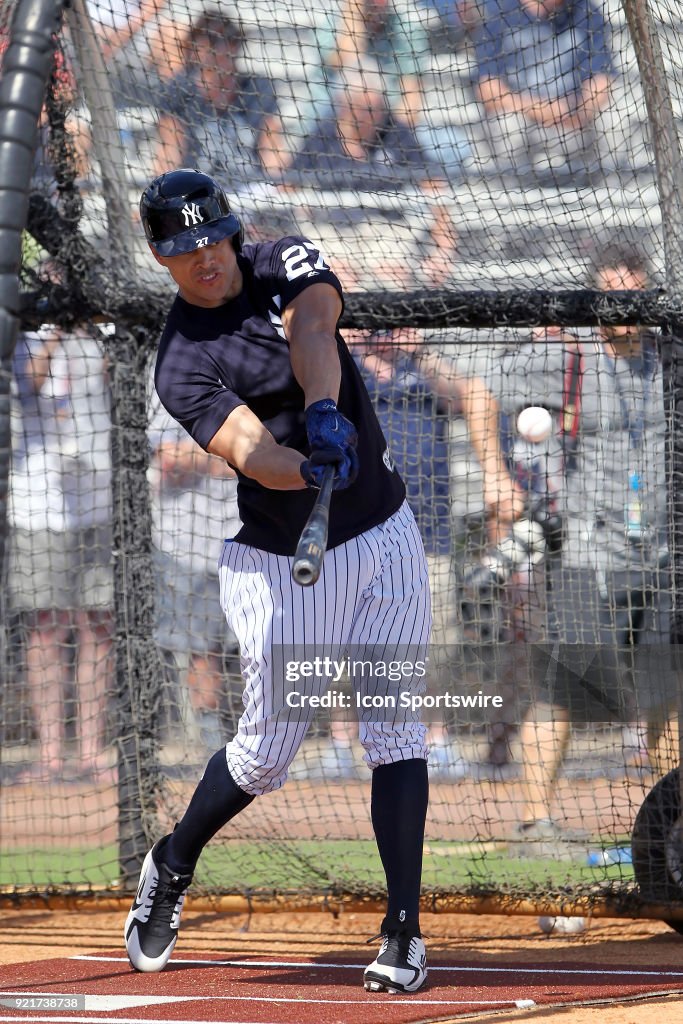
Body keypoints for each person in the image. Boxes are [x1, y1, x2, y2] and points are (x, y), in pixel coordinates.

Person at [125, 167, 432, 993]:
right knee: (266, 754)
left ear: (232, 229)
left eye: (210, 239)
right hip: (280, 564)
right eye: (181, 250)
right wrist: (303, 465)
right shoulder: (180, 362)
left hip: (382, 537)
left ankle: (402, 930)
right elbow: (245, 449)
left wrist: (326, 407)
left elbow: (314, 325)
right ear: (160, 258)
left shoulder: (279, 258)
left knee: (395, 729)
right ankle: (174, 859)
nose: (203, 259)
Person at [486, 245, 671, 858]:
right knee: (561, 689)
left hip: (663, 552)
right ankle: (536, 825)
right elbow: (481, 390)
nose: (626, 310)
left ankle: (671, 820)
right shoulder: (568, 357)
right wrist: (495, 474)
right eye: (613, 297)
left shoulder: (669, 354)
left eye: (635, 296)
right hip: (587, 553)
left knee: (670, 691)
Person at [8, 324, 114, 784]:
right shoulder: (22, 329)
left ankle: (91, 751)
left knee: (98, 625)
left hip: (97, 496)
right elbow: (28, 381)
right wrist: (57, 335)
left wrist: (91, 331)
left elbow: (123, 373)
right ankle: (50, 752)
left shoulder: (104, 328)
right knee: (45, 627)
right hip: (38, 503)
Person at [148, 394, 243, 753]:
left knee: (259, 644)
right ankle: (211, 743)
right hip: (185, 541)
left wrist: (213, 457)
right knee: (203, 649)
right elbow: (169, 459)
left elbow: (271, 451)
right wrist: (232, 454)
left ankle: (264, 736)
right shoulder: (169, 373)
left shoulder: (248, 369)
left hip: (249, 535)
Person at [472, 0, 615, 183]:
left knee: (613, 117)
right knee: (506, 123)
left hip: (573, 119)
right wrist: (541, 109)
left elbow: (602, 81)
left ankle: (613, 193)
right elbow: (487, 89)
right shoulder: (500, 12)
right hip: (524, 118)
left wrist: (577, 110)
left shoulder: (584, 10)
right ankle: (511, 201)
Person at [152, 12, 289, 183]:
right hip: (197, 188)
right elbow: (169, 152)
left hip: (250, 189)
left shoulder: (257, 88)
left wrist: (281, 186)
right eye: (212, 41)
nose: (222, 49)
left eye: (230, 40)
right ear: (195, 47)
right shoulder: (180, 90)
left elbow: (271, 149)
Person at [285, 59, 447, 193]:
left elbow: (430, 177)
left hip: (389, 224)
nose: (373, 117)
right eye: (364, 110)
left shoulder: (394, 131)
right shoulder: (322, 137)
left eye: (377, 109)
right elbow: (289, 183)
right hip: (330, 226)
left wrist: (441, 225)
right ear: (345, 106)